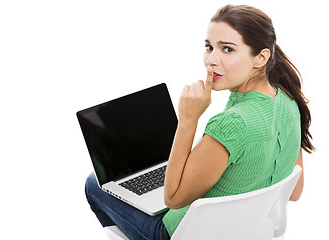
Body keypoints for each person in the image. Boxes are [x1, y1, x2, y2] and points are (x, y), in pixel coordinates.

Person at [85, 4, 314, 239]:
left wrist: (188, 120)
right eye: (209, 47)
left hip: (183, 233)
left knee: (94, 183)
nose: (211, 60)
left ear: (261, 57)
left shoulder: (232, 124)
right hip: (247, 231)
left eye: (227, 49)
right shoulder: (289, 101)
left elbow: (173, 199)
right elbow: (294, 192)